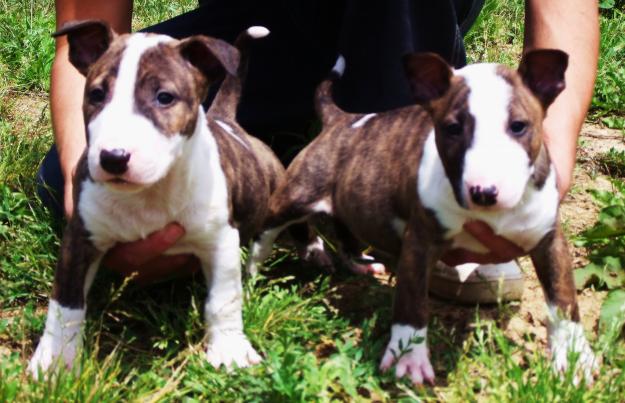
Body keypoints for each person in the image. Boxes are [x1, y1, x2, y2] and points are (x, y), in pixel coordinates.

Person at [38, 0, 599, 295]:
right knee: (67, 173)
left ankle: (416, 178)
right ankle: (298, 139)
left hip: (400, 11)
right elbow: (89, 15)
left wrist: (546, 150)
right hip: (260, 14)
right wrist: (76, 173)